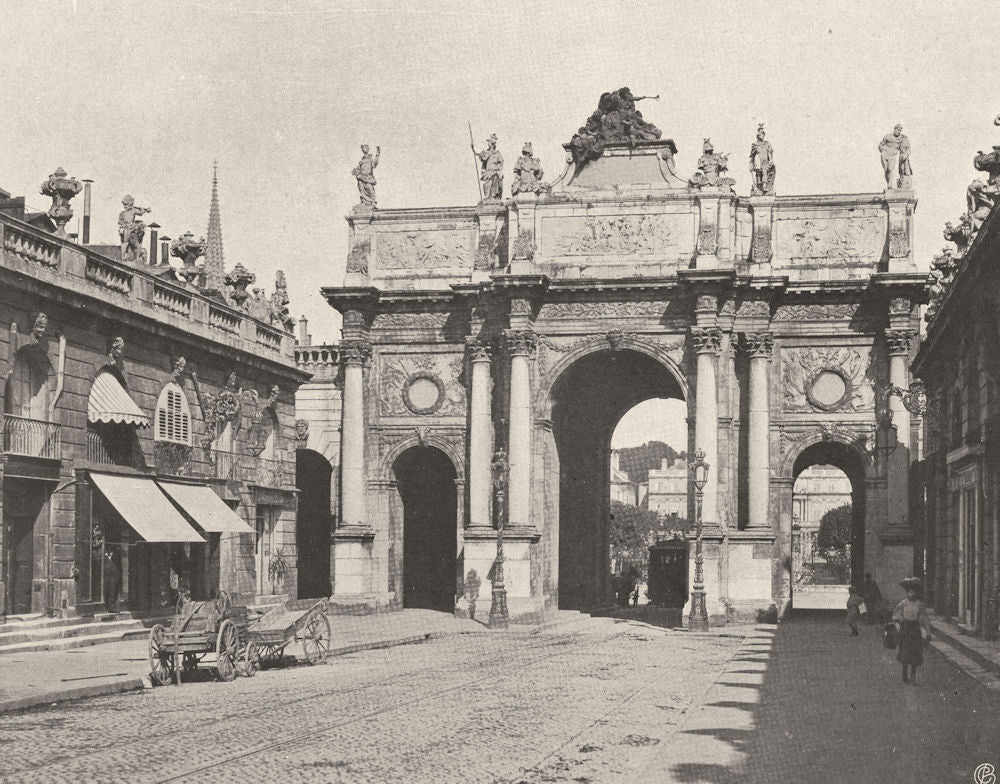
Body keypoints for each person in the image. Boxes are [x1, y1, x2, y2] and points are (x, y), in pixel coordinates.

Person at [893, 577, 932, 684]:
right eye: (909, 592)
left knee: (915, 653)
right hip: (905, 628)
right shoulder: (902, 603)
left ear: (916, 593)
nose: (911, 594)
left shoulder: (920, 605)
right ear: (906, 593)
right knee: (905, 652)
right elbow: (896, 617)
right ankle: (905, 671)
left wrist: (928, 632)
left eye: (913, 592)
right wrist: (898, 626)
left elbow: (924, 619)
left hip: (915, 629)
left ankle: (913, 677)